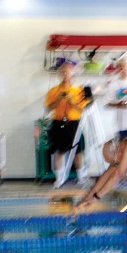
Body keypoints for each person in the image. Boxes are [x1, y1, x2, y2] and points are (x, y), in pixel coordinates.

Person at [44, 59, 91, 187]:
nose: (65, 74)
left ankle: (82, 178)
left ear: (73, 74)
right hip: (58, 123)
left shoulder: (79, 90)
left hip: (74, 124)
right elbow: (48, 108)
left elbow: (82, 109)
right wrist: (58, 100)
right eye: (63, 72)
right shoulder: (53, 91)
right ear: (60, 74)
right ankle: (59, 179)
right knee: (59, 151)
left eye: (68, 72)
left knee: (78, 152)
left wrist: (71, 101)